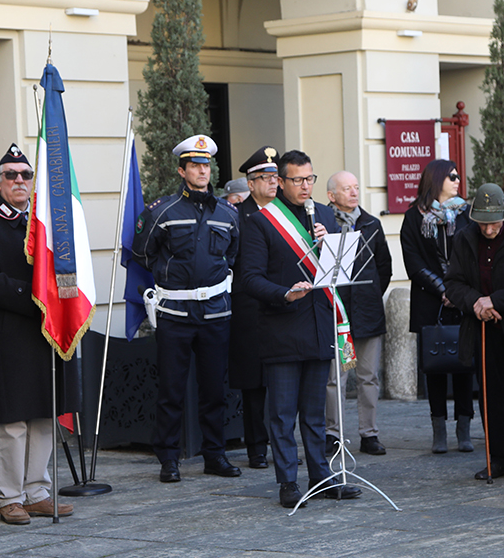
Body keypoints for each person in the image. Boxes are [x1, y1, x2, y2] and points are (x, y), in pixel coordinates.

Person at [239, 150, 362, 507]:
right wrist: (283, 294)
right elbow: (248, 278)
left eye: (310, 179)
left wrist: (329, 245)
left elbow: (337, 270)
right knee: (281, 413)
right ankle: (289, 482)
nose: (306, 186)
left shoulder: (323, 214)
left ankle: (322, 477)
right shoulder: (261, 221)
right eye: (298, 180)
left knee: (314, 412)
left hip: (318, 326)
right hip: (282, 327)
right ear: (280, 181)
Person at [0, 144, 73, 524]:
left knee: (44, 414)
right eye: (11, 175)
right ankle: (9, 497)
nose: (19, 181)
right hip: (9, 332)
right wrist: (37, 301)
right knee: (12, 422)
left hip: (47, 333)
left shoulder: (45, 222)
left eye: (26, 175)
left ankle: (37, 491)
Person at [132, 134, 242, 484]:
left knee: (214, 389)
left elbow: (233, 256)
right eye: (194, 165)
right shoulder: (161, 211)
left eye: (205, 165)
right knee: (171, 390)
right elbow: (143, 254)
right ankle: (168, 458)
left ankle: (215, 455)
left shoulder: (228, 213)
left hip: (215, 312)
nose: (201, 171)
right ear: (182, 170)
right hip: (175, 314)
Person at [444, 183, 504, 480]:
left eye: (494, 222)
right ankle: (499, 457)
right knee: (490, 395)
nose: (488, 229)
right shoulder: (464, 239)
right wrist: (476, 302)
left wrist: (496, 300)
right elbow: (454, 283)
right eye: (483, 223)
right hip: (484, 329)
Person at [400, 159, 475, 453]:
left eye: (458, 175)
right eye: (452, 176)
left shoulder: (466, 214)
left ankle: (464, 430)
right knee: (435, 368)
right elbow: (413, 262)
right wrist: (443, 289)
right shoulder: (413, 217)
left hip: (463, 299)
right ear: (437, 179)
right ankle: (439, 431)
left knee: (463, 366)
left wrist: (456, 290)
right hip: (430, 300)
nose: (457, 180)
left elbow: (471, 256)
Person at [325, 170, 392, 455]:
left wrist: (368, 296)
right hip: (335, 315)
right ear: (332, 196)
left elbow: (384, 269)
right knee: (335, 378)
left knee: (367, 376)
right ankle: (333, 434)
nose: (354, 192)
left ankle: (369, 434)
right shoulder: (321, 222)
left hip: (366, 314)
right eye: (346, 188)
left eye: (356, 187)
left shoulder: (371, 225)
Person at [228, 146, 281, 469]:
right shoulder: (238, 216)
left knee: (282, 381)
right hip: (249, 307)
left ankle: (283, 443)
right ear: (250, 184)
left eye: (276, 177)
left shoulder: (285, 214)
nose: (273, 183)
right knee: (253, 383)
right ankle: (257, 448)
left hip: (281, 305)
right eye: (266, 178)